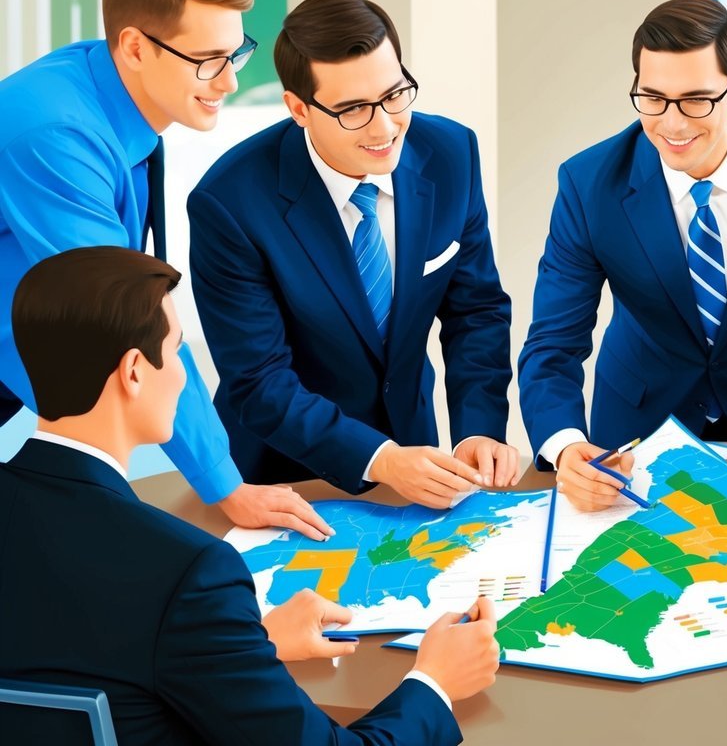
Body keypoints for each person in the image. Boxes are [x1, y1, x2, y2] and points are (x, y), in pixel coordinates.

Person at [0, 246, 500, 745]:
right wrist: (435, 682)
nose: (181, 374)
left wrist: (242, 644)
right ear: (134, 371)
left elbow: (76, 644)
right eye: (177, 350)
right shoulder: (188, 574)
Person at [0, 0, 329, 539]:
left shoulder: (114, 95)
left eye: (237, 53)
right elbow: (130, 316)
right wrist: (225, 484)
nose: (229, 82)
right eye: (208, 60)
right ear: (134, 47)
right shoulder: (55, 135)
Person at [188, 0, 517, 505]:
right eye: (353, 110)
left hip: (417, 459)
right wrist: (379, 459)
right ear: (299, 108)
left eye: (394, 95)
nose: (385, 127)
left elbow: (475, 311)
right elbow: (259, 380)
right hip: (285, 477)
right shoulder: (230, 204)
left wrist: (477, 428)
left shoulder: (452, 154)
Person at [517, 0, 727, 511]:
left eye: (696, 100)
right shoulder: (589, 183)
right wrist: (565, 444)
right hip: (638, 431)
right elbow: (553, 342)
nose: (672, 123)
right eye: (653, 97)